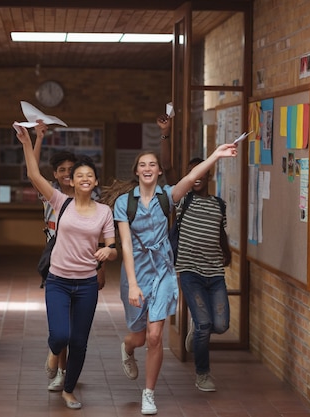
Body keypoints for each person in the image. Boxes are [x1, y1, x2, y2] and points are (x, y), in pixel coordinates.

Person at [101, 135, 237, 415]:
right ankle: (127, 349)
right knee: (138, 338)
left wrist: (216, 155)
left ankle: (148, 393)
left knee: (154, 336)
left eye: (153, 164)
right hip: (135, 273)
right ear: (137, 171)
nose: (148, 168)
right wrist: (133, 285)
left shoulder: (168, 197)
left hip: (163, 271)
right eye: (143, 165)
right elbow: (125, 245)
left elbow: (191, 177)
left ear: (159, 171)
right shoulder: (124, 203)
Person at [16, 124, 118, 410]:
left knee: (80, 341)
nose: (84, 179)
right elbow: (34, 175)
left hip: (86, 284)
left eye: (89, 175)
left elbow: (111, 247)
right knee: (60, 335)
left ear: (95, 182)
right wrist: (28, 140)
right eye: (79, 175)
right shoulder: (60, 202)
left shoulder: (104, 212)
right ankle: (52, 352)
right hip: (58, 280)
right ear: (71, 181)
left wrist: (106, 255)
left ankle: (69, 389)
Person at [158, 114, 231, 393]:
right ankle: (202, 373)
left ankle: (197, 332)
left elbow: (221, 233)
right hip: (189, 271)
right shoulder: (183, 199)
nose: (197, 177)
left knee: (220, 326)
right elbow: (167, 167)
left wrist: (226, 253)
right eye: (192, 174)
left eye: (202, 172)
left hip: (215, 272)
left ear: (210, 175)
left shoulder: (219, 205)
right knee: (204, 324)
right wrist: (166, 133)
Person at [32, 122, 106, 392]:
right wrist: (38, 138)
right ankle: (61, 372)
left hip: (84, 269)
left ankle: (65, 373)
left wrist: (101, 267)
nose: (66, 174)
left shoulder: (92, 199)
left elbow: (99, 239)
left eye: (70, 170)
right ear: (55, 174)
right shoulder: (51, 196)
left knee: (77, 328)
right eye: (61, 170)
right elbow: (33, 172)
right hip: (56, 265)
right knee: (61, 326)